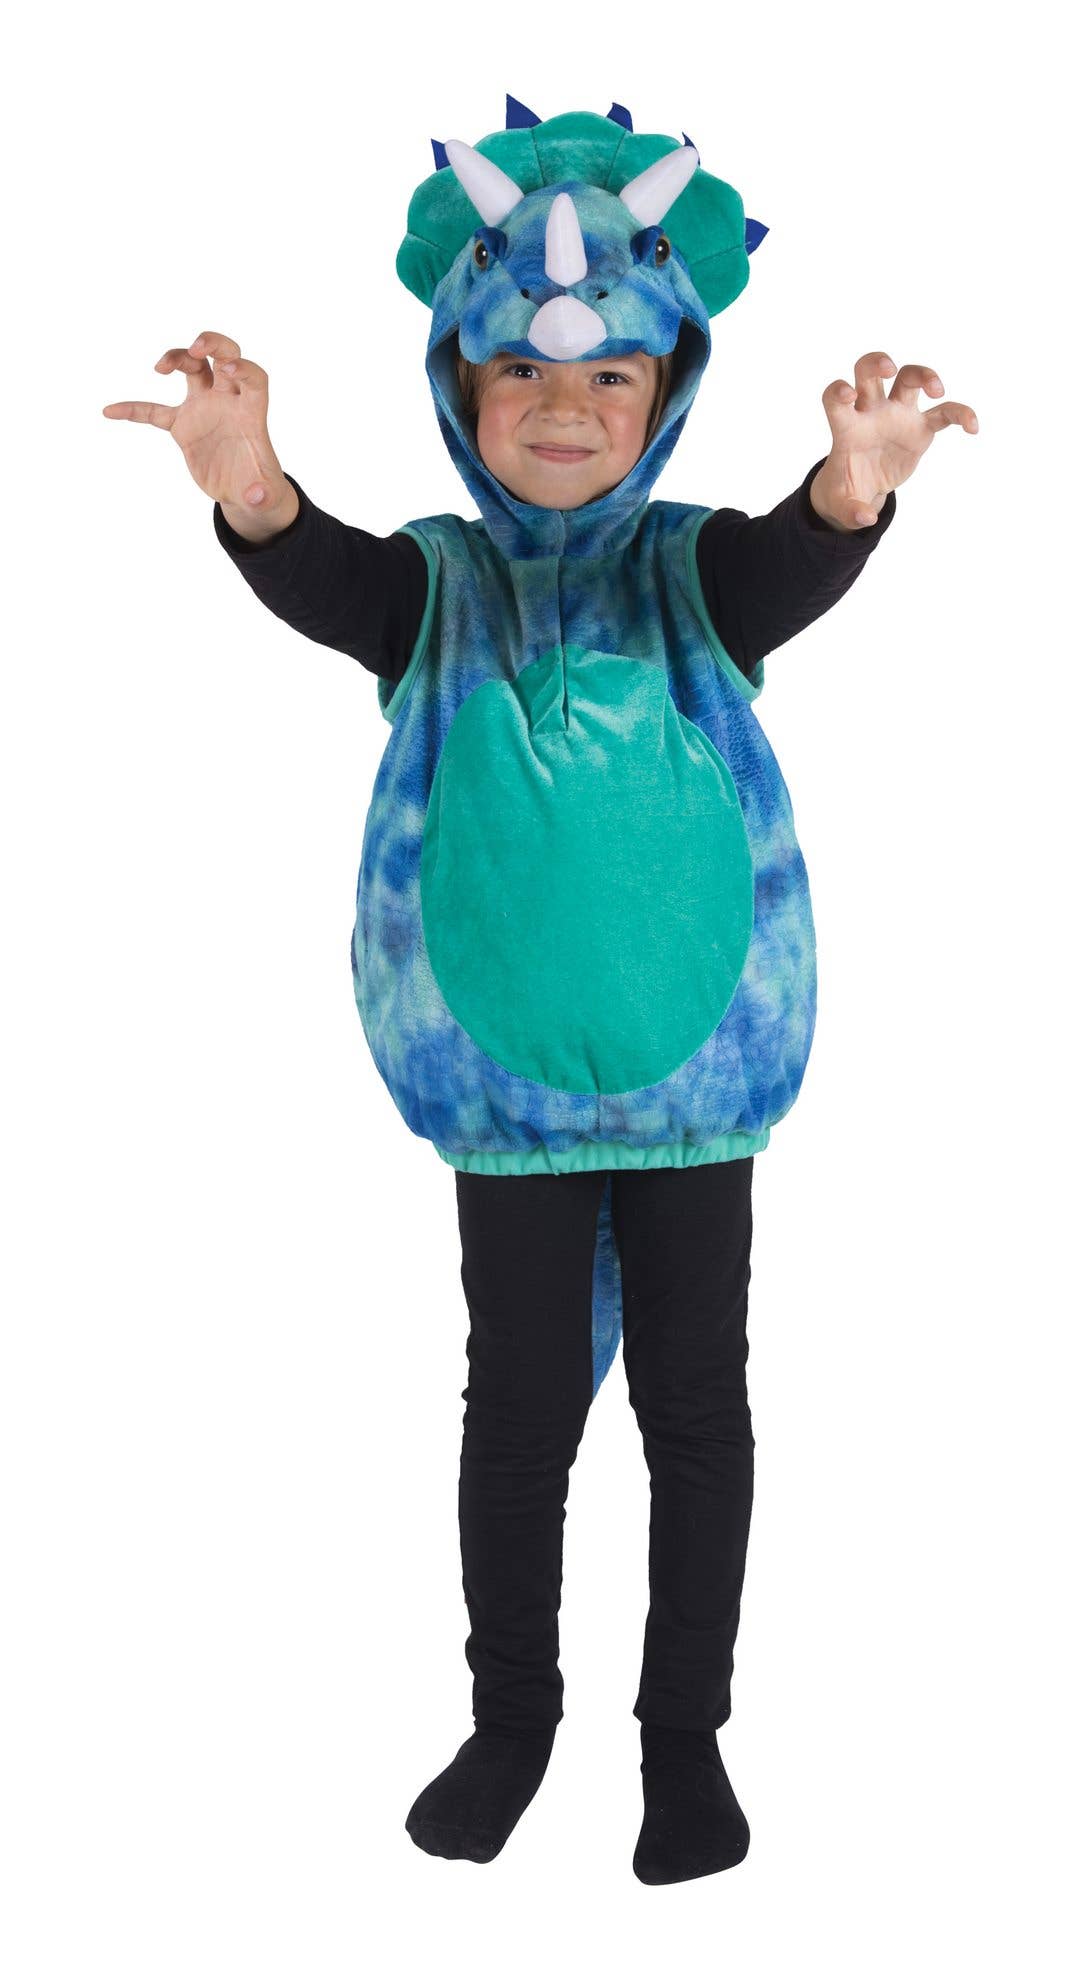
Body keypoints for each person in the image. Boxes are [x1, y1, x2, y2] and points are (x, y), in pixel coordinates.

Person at [103, 99, 978, 1886]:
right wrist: (249, 480)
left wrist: (857, 489)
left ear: (666, 397)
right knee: (514, 1417)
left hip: (694, 1091)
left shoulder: (695, 575)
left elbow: (793, 555)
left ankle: (685, 1741)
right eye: (517, 374)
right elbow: (317, 567)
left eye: (607, 382)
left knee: (698, 1415)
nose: (561, 407)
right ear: (458, 388)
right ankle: (513, 1722)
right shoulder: (435, 588)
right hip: (505, 1104)